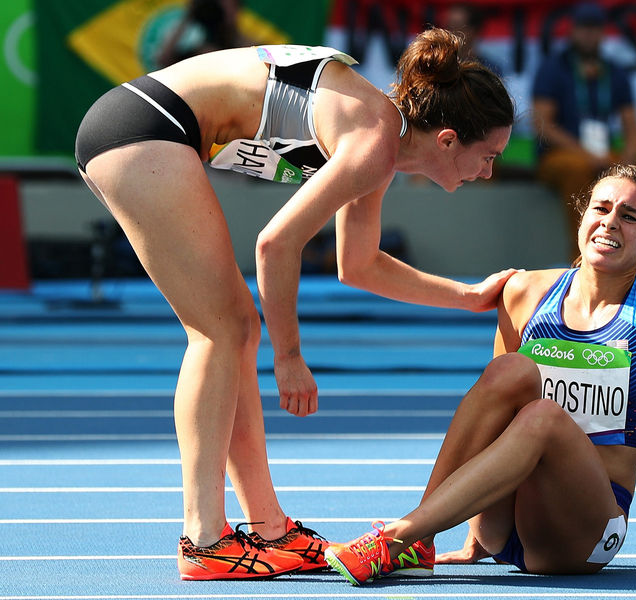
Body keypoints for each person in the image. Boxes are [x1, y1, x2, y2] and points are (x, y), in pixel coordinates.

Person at [74, 29, 516, 580]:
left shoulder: (381, 141)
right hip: (144, 126)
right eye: (489, 155)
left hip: (145, 126)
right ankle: (203, 539)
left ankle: (270, 528)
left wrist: (468, 296)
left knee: (233, 327)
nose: (489, 172)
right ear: (448, 140)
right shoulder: (374, 143)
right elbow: (275, 244)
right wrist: (290, 357)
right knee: (220, 330)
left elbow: (359, 264)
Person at [325, 164, 636, 584]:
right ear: (582, 219)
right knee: (509, 370)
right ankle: (421, 538)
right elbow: (491, 412)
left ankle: (401, 535)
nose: (610, 222)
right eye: (601, 208)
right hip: (501, 524)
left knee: (543, 417)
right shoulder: (525, 292)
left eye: (629, 217)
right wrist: (474, 539)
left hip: (585, 533)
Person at [531, 2, 636, 274]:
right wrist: (587, 155)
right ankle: (582, 261)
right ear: (572, 31)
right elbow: (543, 125)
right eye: (584, 28)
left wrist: (628, 160)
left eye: (595, 29)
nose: (589, 35)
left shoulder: (615, 71)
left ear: (603, 33)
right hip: (562, 157)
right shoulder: (553, 68)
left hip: (605, 156)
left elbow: (632, 127)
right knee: (580, 172)